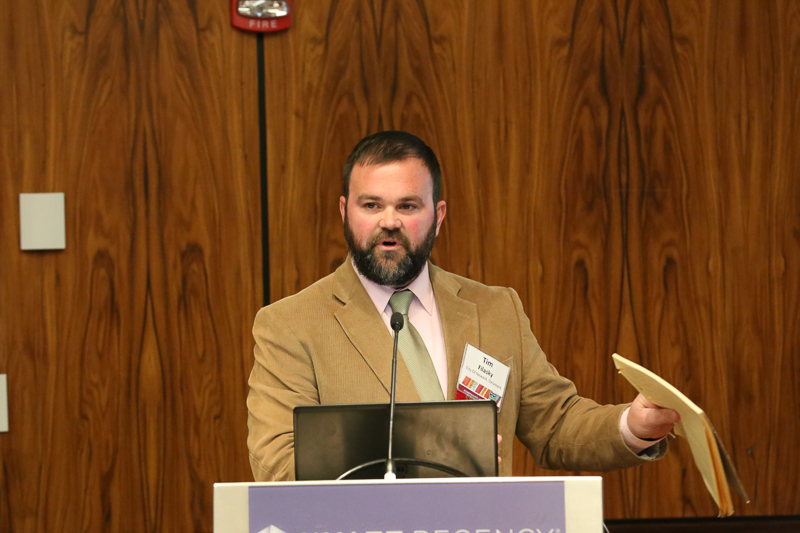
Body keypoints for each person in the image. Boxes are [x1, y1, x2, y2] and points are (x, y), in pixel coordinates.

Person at [247, 131, 679, 481]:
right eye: (371, 205)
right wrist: (422, 457)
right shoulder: (290, 325)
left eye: (408, 205)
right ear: (345, 211)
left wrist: (632, 426)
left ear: (438, 216)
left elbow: (555, 425)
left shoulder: (496, 310)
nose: (389, 221)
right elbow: (278, 463)